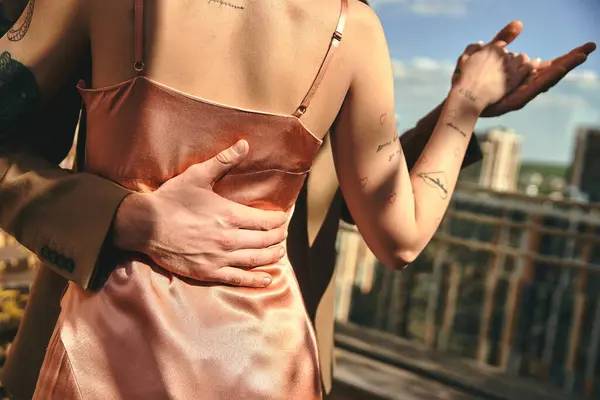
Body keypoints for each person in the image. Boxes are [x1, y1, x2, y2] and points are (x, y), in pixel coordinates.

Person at [0, 0, 595, 398]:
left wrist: (459, 112)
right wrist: (125, 219)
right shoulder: (352, 29)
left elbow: (346, 182)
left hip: (110, 361)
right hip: (253, 364)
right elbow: (400, 234)